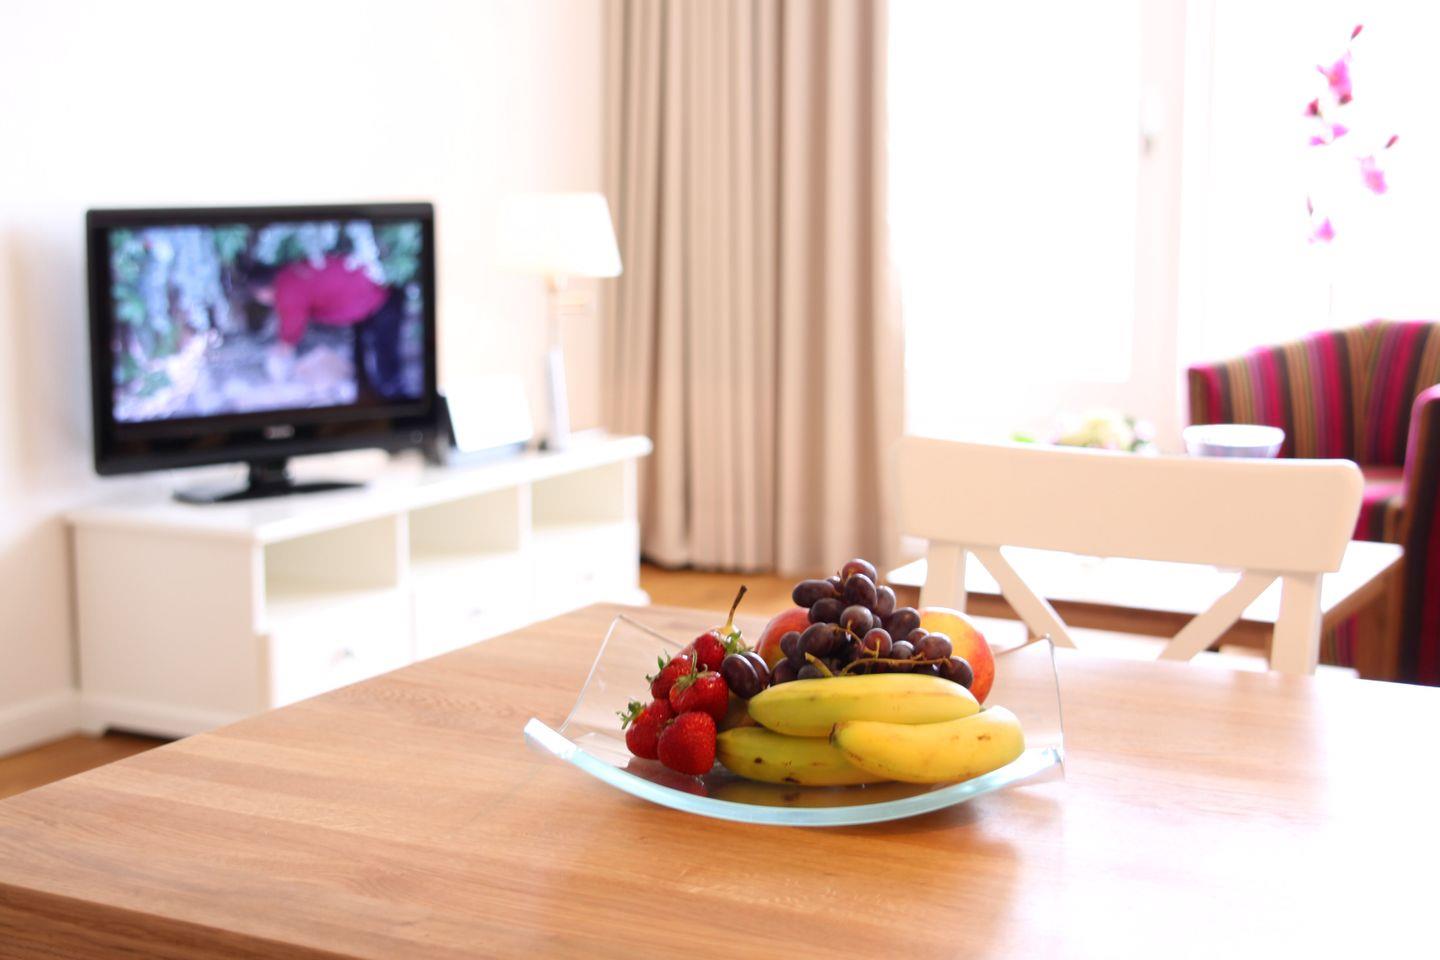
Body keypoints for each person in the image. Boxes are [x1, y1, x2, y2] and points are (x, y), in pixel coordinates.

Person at [245, 255, 409, 401]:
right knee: (367, 357)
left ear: (261, 292)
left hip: (378, 300)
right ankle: (377, 397)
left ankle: (395, 404)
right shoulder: (291, 273)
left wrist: (280, 354)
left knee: (385, 360)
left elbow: (291, 326)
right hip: (373, 297)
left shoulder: (286, 288)